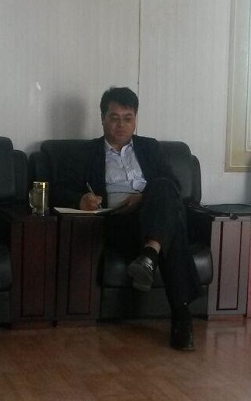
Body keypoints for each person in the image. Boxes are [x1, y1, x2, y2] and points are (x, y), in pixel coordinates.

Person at [52, 86, 202, 350]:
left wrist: (143, 198)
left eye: (127, 118)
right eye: (114, 118)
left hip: (151, 217)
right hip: (118, 223)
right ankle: (181, 315)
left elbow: (175, 187)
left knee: (164, 188)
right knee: (172, 228)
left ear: (135, 120)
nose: (121, 125)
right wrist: (80, 200)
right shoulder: (85, 152)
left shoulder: (150, 148)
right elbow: (58, 189)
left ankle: (150, 254)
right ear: (102, 118)